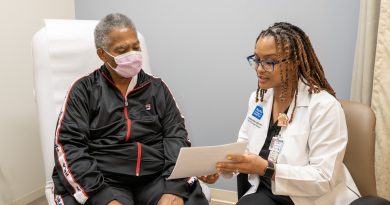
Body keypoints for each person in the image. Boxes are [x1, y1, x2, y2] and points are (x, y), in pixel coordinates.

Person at [51, 13, 208, 205]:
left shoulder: (157, 89)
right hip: (103, 180)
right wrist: (102, 196)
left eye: (136, 47)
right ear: (102, 54)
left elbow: (177, 136)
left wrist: (173, 188)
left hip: (154, 177)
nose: (132, 55)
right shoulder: (83, 91)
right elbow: (69, 146)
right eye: (122, 50)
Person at [200, 22, 361, 205]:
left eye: (269, 62)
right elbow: (244, 147)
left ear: (294, 63)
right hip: (265, 192)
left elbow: (323, 178)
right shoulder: (258, 99)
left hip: (309, 199)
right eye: (257, 59)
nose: (260, 69)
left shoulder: (324, 106)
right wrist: (221, 168)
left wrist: (268, 169)